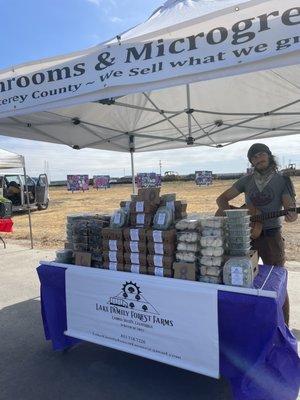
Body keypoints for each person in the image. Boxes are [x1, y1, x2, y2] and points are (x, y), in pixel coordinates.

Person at [216, 143, 298, 325]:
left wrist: (291, 215)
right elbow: (221, 199)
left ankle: (282, 326)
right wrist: (230, 216)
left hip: (271, 236)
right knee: (242, 278)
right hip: (246, 236)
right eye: (253, 157)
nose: (258, 159)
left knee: (278, 280)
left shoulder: (282, 180)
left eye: (261, 155)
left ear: (269, 155)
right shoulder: (246, 180)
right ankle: (249, 322)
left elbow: (290, 213)